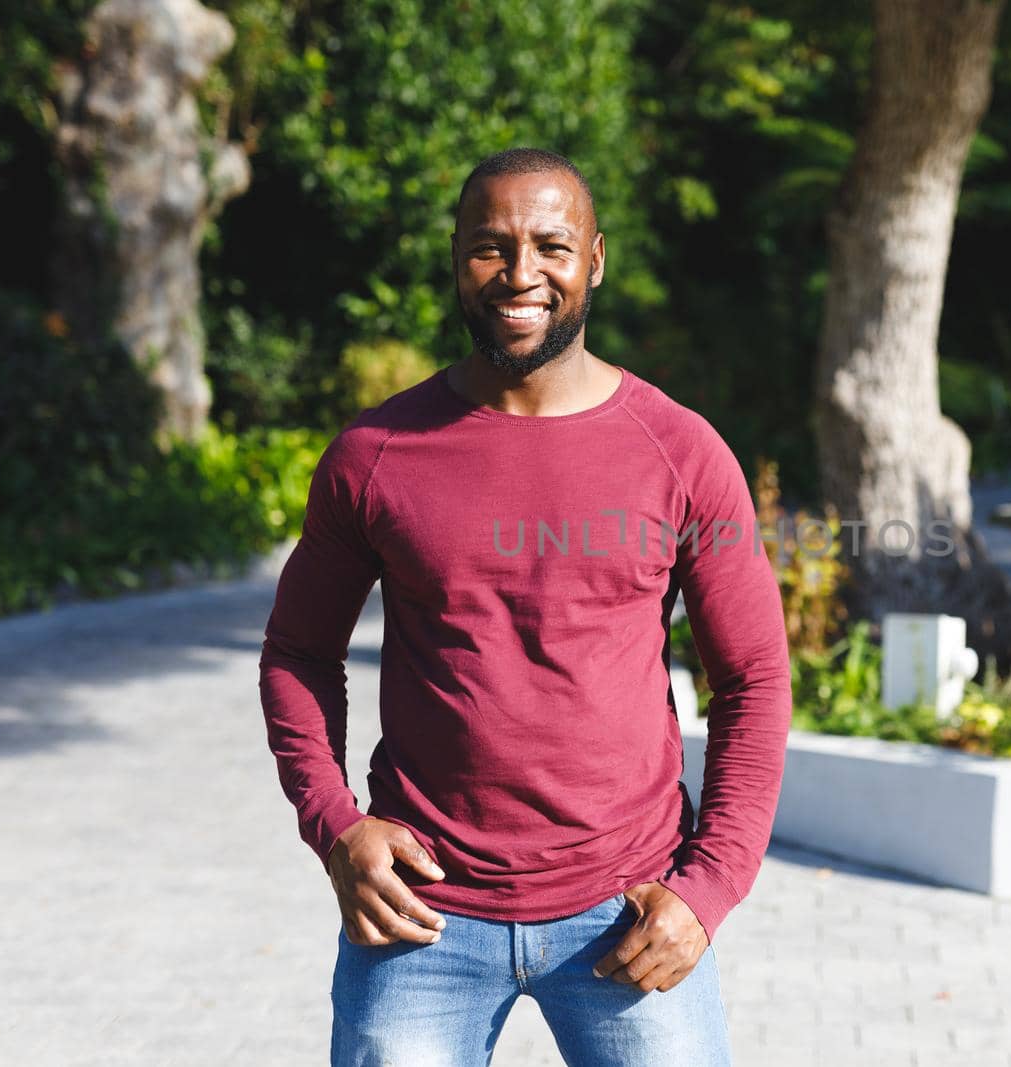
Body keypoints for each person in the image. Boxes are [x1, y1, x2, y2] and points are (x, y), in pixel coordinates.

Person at [257, 147, 793, 1067]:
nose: (520, 274)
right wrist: (336, 825)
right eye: (490, 246)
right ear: (456, 257)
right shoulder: (376, 453)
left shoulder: (683, 453)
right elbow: (299, 653)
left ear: (594, 259)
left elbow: (752, 678)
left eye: (550, 244)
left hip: (630, 915)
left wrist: (709, 889)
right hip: (420, 918)